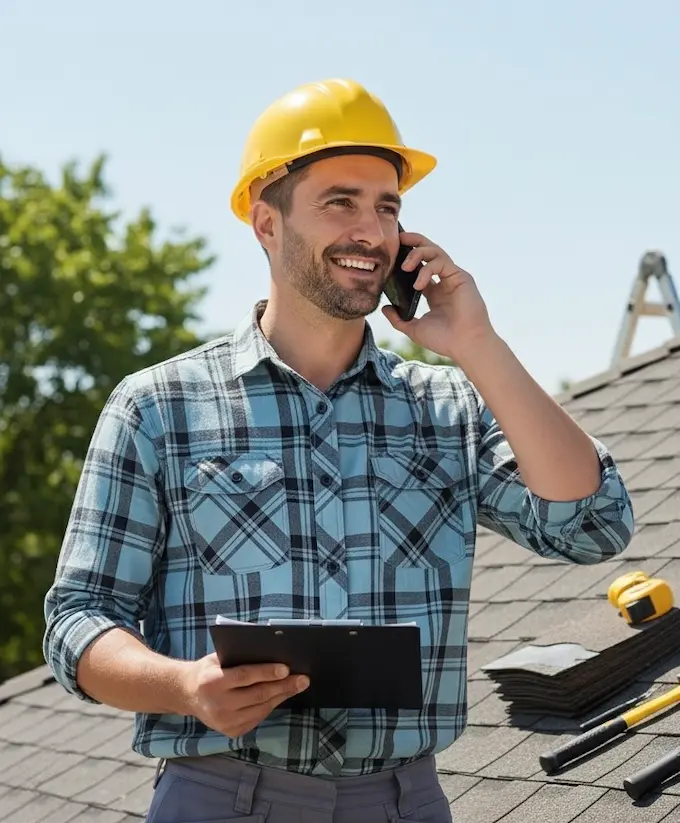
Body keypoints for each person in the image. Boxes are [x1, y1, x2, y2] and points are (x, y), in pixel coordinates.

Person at [42, 78, 635, 823]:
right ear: (266, 221)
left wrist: (478, 344)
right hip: (220, 797)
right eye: (340, 202)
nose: (371, 230)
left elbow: (594, 523)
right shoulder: (158, 407)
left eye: (388, 207)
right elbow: (77, 618)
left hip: (402, 800)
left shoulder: (448, 408)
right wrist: (185, 686)